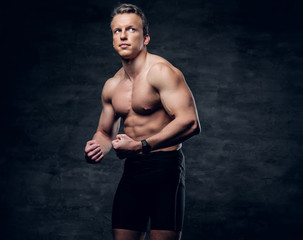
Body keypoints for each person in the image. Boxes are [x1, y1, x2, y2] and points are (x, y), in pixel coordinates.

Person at [84, 3, 200, 240]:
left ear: (145, 38)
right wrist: (97, 147)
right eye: (117, 31)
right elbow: (104, 134)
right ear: (113, 38)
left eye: (131, 29)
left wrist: (140, 145)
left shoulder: (161, 72)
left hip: (165, 168)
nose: (123, 35)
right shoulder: (112, 86)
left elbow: (190, 122)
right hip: (134, 170)